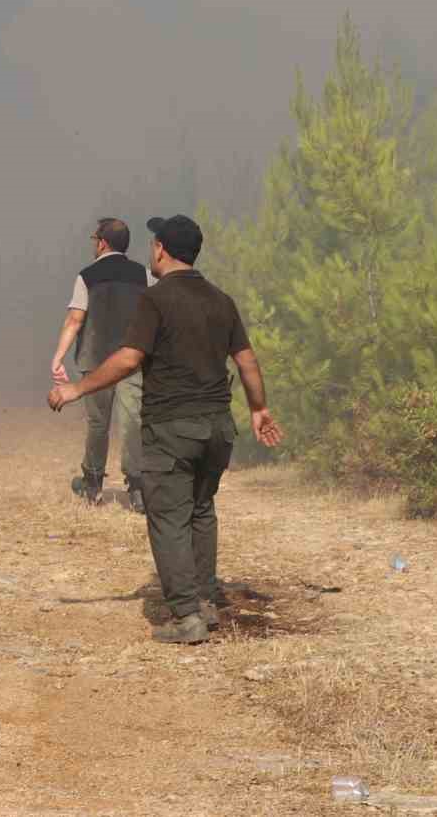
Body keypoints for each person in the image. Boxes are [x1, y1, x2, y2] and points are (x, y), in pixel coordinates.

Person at [47, 214, 283, 644]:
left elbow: (129, 359)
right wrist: (259, 408)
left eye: (153, 244)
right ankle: (207, 601)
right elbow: (247, 360)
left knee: (168, 518)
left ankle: (187, 616)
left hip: (174, 429)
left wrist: (77, 388)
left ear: (161, 250)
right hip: (217, 429)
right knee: (201, 510)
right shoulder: (221, 300)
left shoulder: (155, 301)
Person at [50, 217, 149, 510]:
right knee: (133, 421)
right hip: (132, 361)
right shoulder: (144, 275)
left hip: (95, 362)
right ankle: (138, 487)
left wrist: (58, 356)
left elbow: (75, 319)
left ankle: (92, 484)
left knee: (98, 424)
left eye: (95, 239)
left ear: (103, 242)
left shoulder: (87, 276)